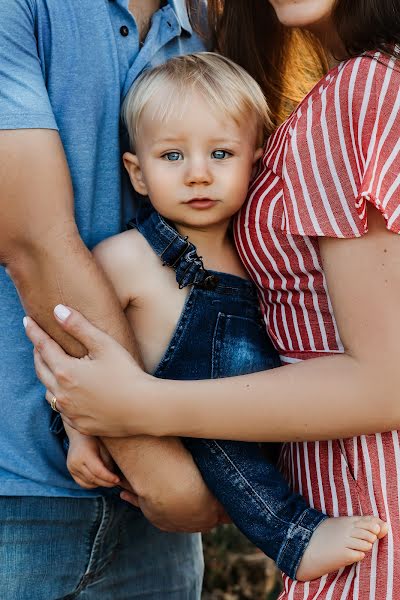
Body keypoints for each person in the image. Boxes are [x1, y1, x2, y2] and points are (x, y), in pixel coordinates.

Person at [24, 0, 400, 598]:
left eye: (220, 155)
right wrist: (86, 423)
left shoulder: (356, 91)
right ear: (138, 171)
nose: (198, 174)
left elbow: (384, 377)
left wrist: (137, 408)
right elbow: (67, 333)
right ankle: (292, 535)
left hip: (341, 469)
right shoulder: (132, 255)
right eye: (173, 157)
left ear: (252, 159)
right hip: (261, 453)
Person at [0, 1, 216, 599]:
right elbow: (30, 240)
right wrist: (164, 474)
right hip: (19, 493)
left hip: (155, 508)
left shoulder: (203, 26)